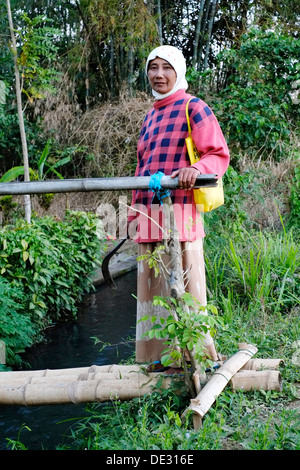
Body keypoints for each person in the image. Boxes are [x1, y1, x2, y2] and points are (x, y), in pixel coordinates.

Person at [127, 45, 230, 370]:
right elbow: (142, 169)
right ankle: (159, 360)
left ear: (179, 71)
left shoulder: (193, 107)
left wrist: (196, 170)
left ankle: (195, 358)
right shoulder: (150, 116)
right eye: (153, 68)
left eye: (165, 67)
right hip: (149, 215)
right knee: (153, 288)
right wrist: (133, 215)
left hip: (180, 214)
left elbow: (217, 154)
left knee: (184, 285)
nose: (158, 74)